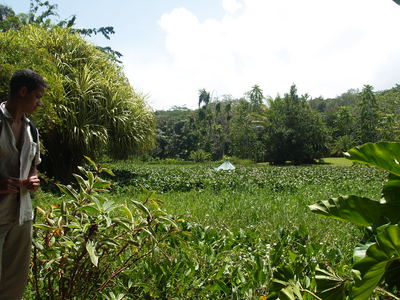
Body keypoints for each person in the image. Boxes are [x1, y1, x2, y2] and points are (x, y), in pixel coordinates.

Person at [0, 69, 45, 299]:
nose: (39, 103)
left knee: (14, 281)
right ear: (23, 91)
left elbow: (33, 165)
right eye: (37, 96)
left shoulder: (32, 130)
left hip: (22, 215)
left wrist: (34, 179)